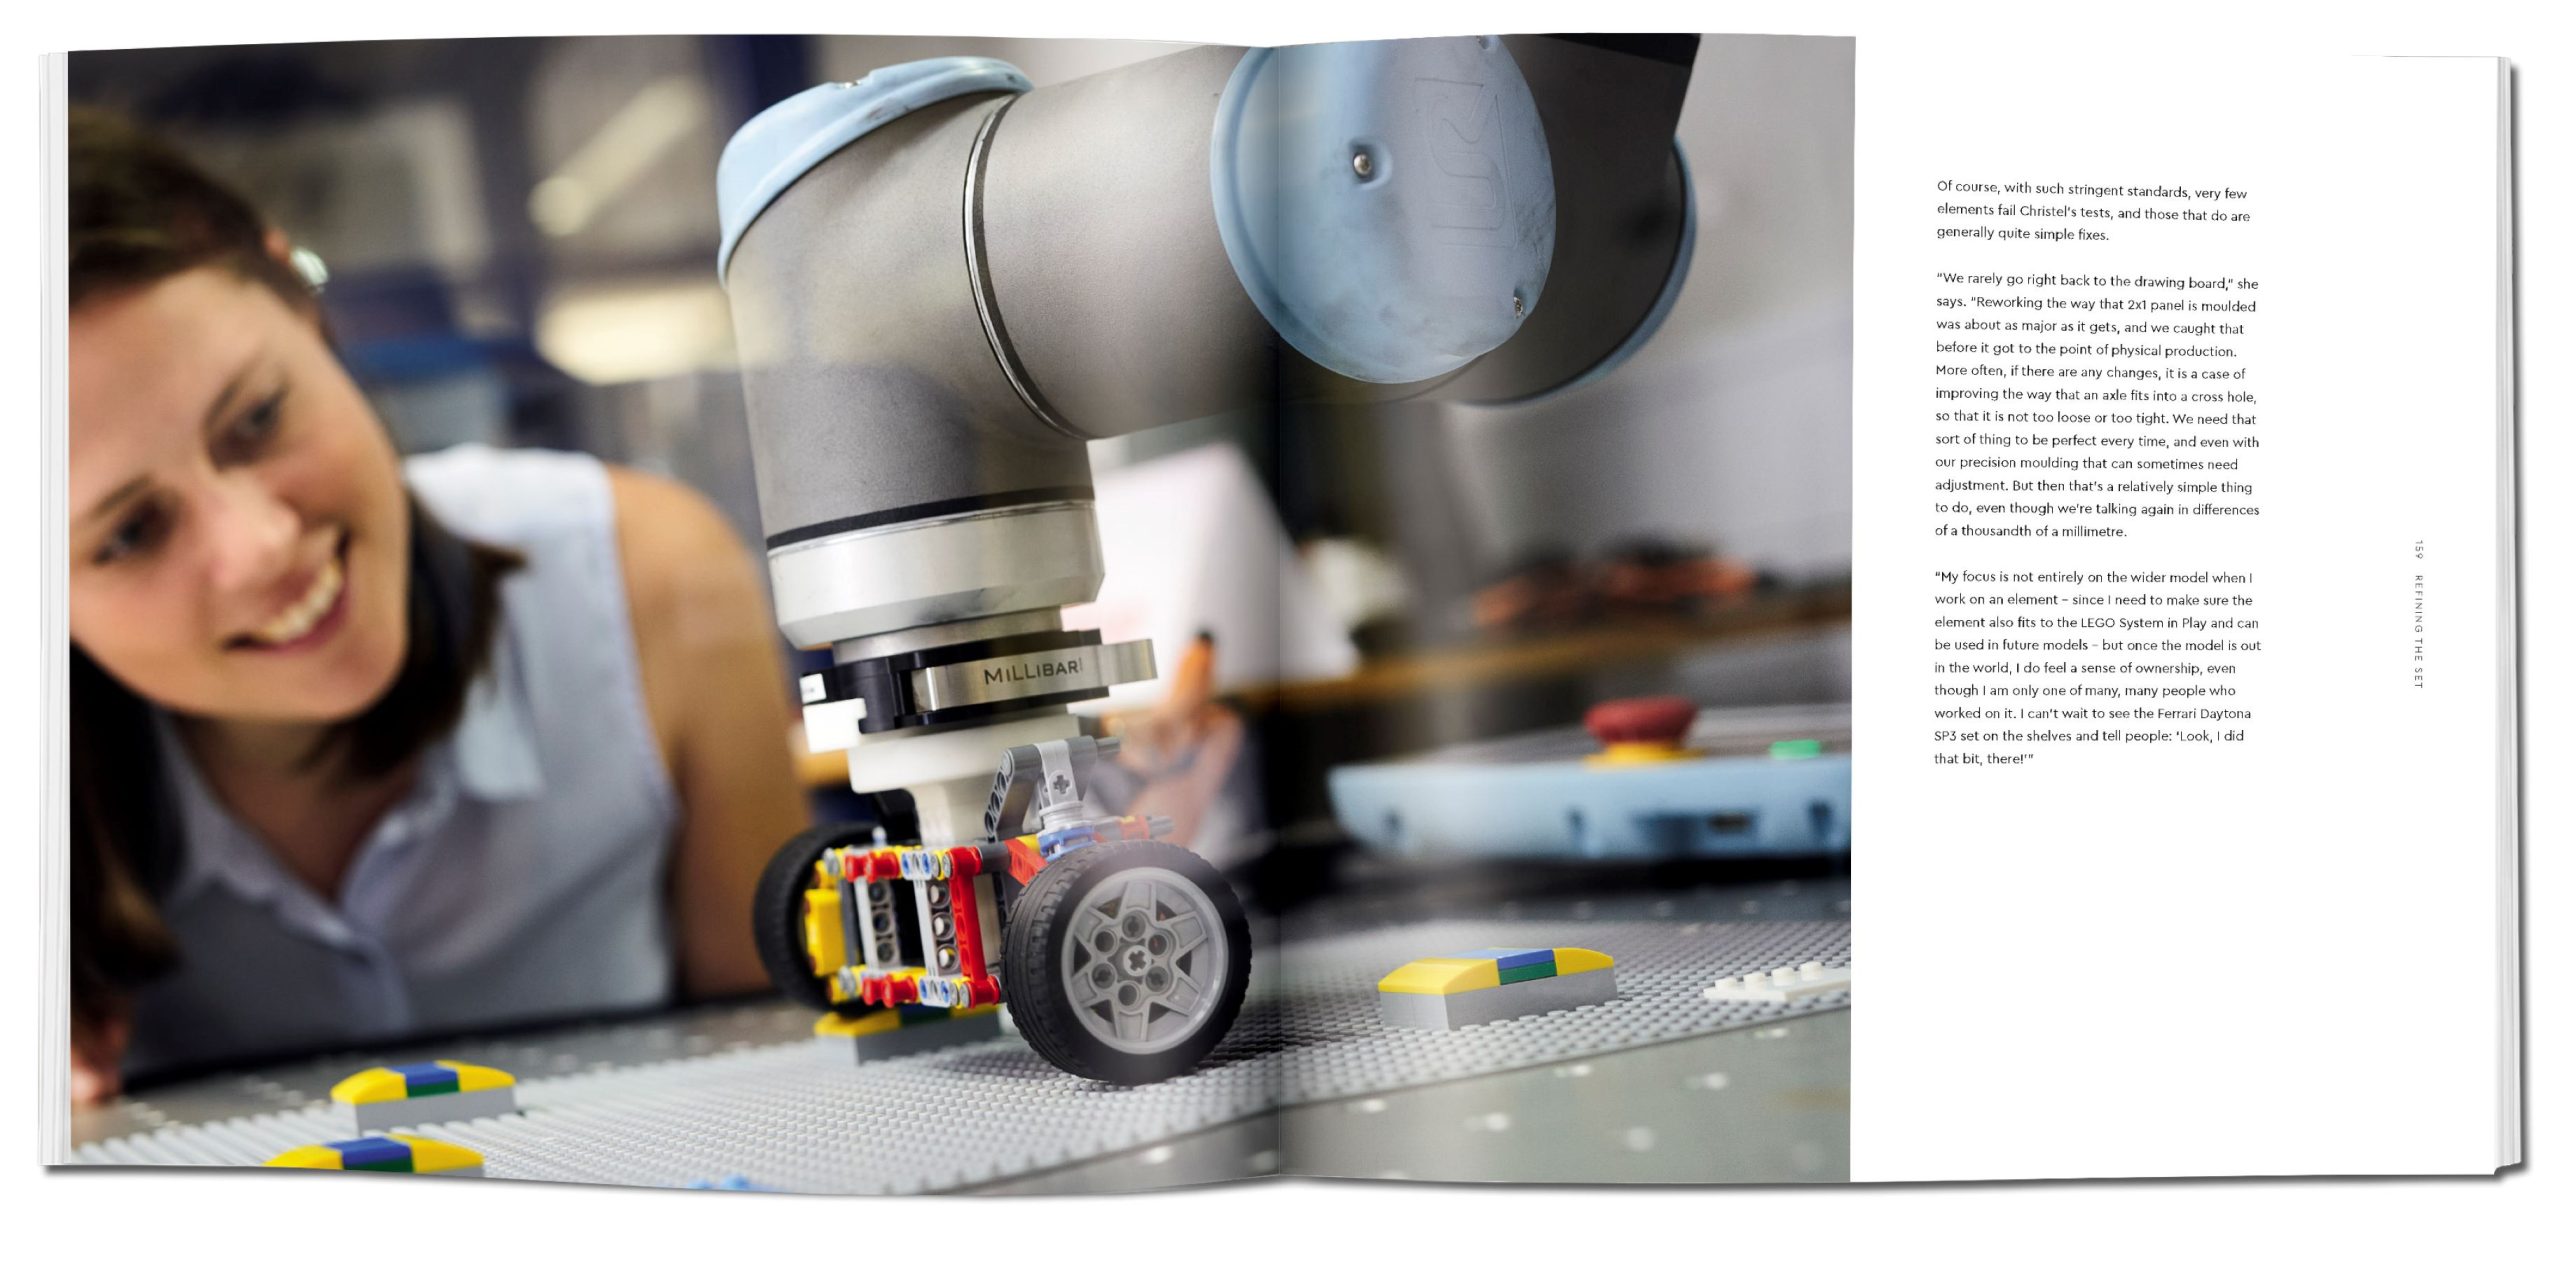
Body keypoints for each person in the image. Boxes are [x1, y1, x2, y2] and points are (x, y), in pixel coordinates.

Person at [65, 108, 808, 1102]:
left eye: (258, 417)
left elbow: (787, 1072)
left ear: (303, 306)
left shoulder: (651, 583)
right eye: (128, 534)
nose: (260, 546)